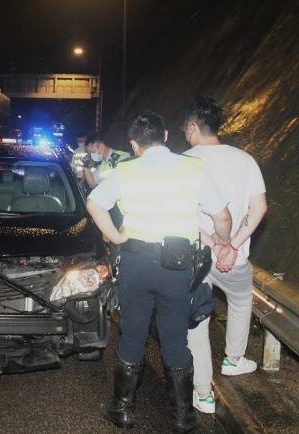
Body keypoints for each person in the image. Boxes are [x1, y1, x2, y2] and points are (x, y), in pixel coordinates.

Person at [87, 111, 232, 432]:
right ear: (166, 136)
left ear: (134, 143)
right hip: (177, 267)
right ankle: (183, 416)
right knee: (175, 338)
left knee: (133, 333)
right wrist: (223, 242)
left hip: (137, 262)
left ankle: (122, 409)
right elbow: (221, 216)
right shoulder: (193, 168)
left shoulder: (125, 171)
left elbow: (95, 203)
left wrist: (115, 236)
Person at [184, 96, 267, 414]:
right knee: (241, 299)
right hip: (235, 256)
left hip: (197, 256)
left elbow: (182, 213)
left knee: (197, 318)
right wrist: (232, 244)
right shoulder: (245, 160)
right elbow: (259, 207)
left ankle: (203, 393)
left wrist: (212, 243)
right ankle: (234, 360)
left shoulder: (184, 162)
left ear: (193, 127)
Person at [82, 133, 131, 229]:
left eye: (91, 151)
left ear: (99, 145)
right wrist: (86, 167)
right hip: (111, 208)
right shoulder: (102, 166)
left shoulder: (122, 156)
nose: (91, 156)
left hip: (124, 207)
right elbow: (92, 184)